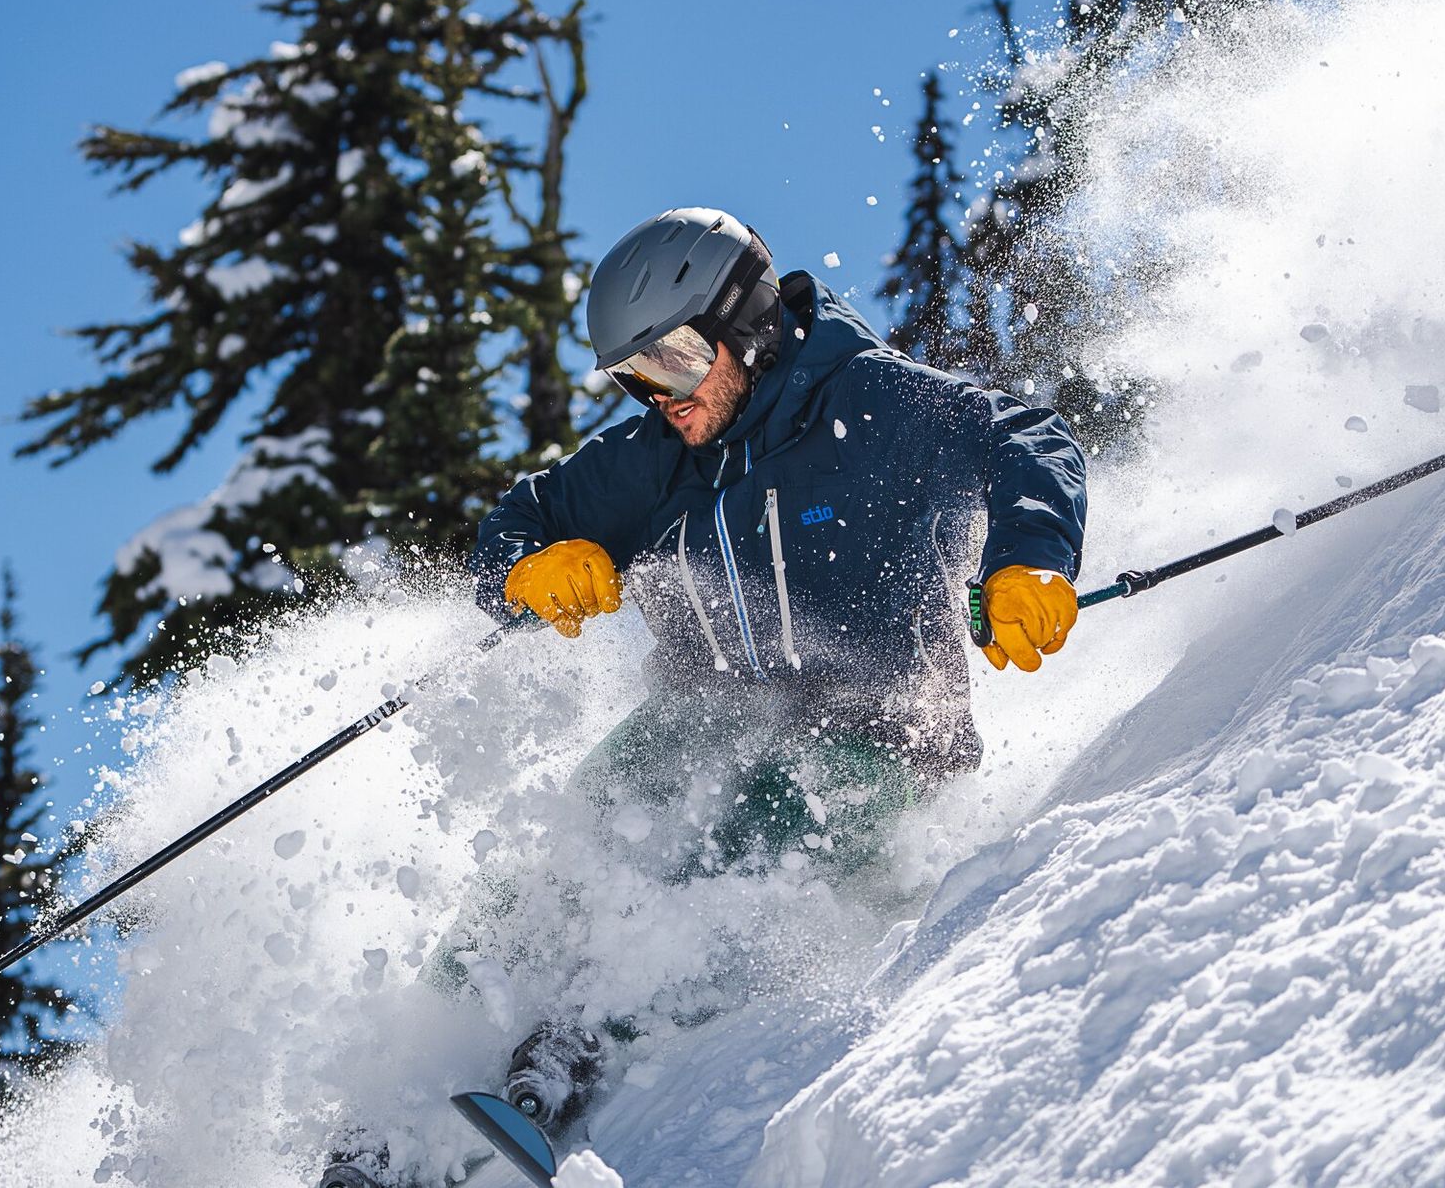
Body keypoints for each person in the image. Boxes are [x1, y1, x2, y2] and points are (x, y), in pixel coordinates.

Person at [319, 207, 1086, 1188]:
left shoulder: (877, 402)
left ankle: (567, 1057)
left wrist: (1030, 560)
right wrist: (528, 567)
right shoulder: (662, 456)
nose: (661, 395)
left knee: (757, 840)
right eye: (635, 375)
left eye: (676, 360)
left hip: (880, 737)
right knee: (553, 865)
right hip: (698, 723)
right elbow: (522, 516)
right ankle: (398, 1109)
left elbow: (1028, 438)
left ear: (748, 322)